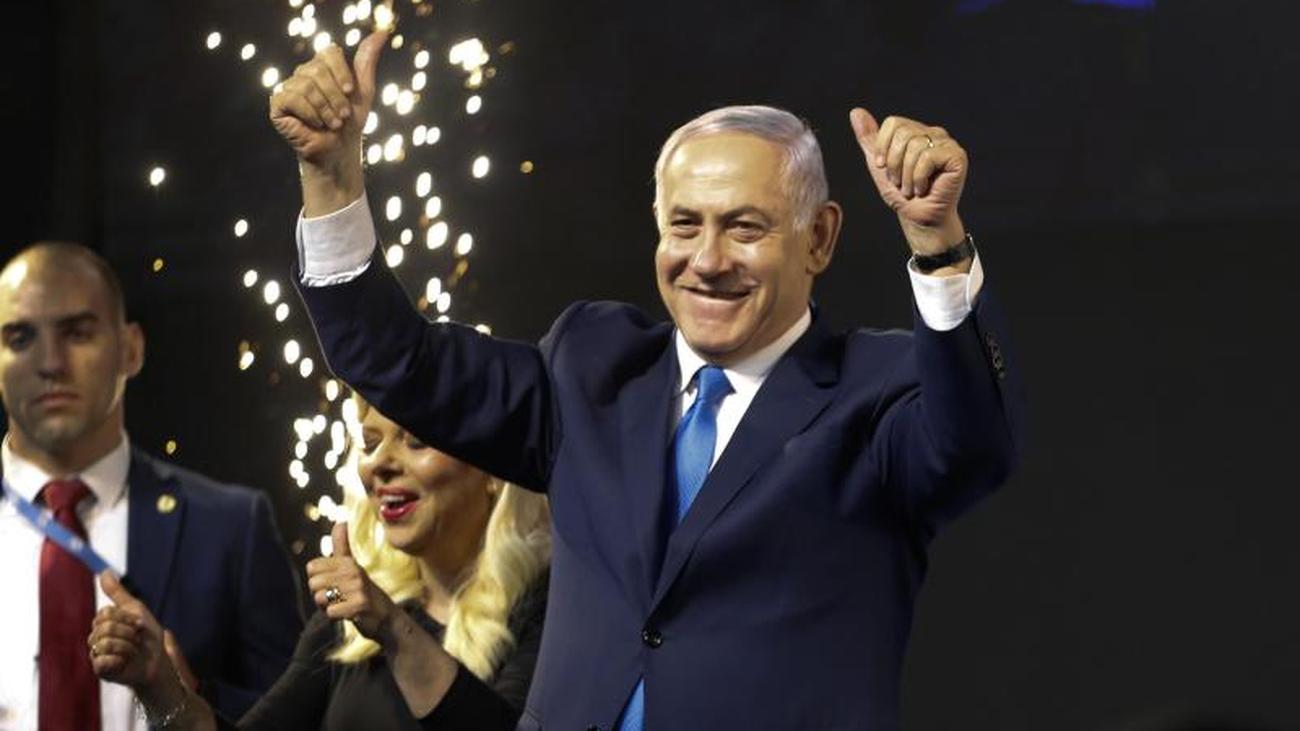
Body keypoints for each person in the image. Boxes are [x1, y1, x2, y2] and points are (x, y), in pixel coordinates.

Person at [271, 29, 1023, 731]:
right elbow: (398, 363)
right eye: (685, 225)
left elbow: (973, 449)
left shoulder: (877, 390)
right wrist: (331, 177)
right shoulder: (592, 367)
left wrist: (937, 244)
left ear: (818, 237)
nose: (708, 260)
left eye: (745, 227)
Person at [90, 398, 551, 730]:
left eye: (415, 441)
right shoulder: (350, 620)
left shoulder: (550, 608)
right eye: (370, 443)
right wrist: (161, 689)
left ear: (492, 468)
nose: (379, 464)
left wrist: (394, 630)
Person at [0, 242, 303, 729]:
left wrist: (187, 698)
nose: (50, 363)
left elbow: (300, 719)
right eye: (19, 338)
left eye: (77, 333)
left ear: (131, 349)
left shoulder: (230, 528)